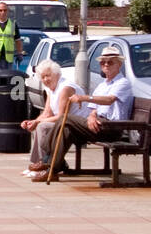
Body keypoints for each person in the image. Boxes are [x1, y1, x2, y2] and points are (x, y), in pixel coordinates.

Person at [40, 46, 135, 183]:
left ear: (119, 64)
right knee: (66, 130)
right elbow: (94, 109)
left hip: (112, 127)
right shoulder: (103, 84)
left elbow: (109, 100)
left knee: (66, 119)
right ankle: (54, 169)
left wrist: (84, 98)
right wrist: (91, 117)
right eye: (103, 62)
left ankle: (47, 155)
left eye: (110, 62)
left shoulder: (123, 83)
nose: (106, 65)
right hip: (99, 124)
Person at [19, 60, 76, 177]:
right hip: (63, 123)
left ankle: (44, 164)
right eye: (43, 77)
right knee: (39, 125)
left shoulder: (65, 88)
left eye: (48, 76)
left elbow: (61, 116)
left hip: (75, 125)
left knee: (43, 127)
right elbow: (47, 113)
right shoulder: (51, 89)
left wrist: (38, 122)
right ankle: (37, 163)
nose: (45, 80)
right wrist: (33, 122)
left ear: (57, 74)